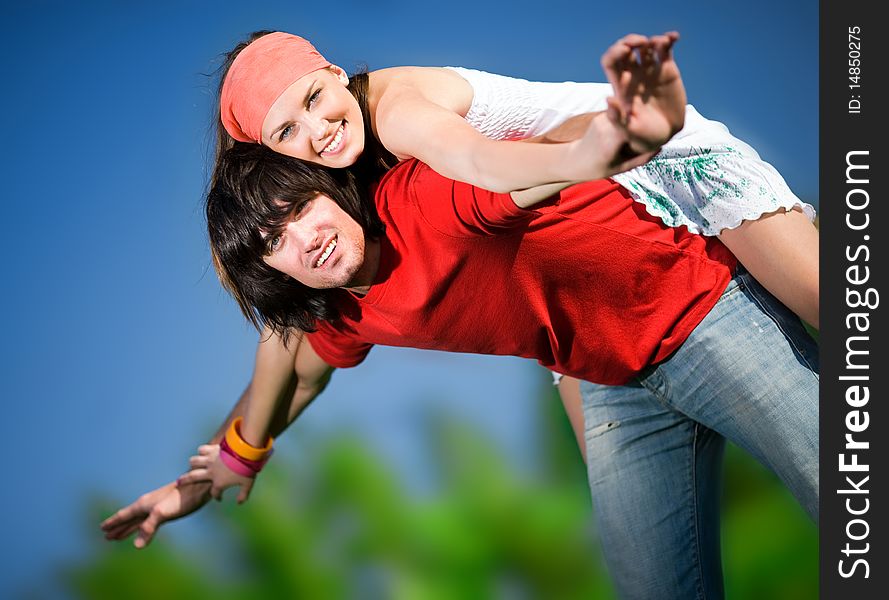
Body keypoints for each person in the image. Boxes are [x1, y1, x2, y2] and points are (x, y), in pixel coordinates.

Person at [104, 133, 818, 599]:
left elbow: (529, 171)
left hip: (703, 306)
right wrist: (228, 462)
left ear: (331, 192)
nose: (304, 240)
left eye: (298, 209)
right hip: (612, 381)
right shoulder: (346, 306)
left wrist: (617, 132)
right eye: (274, 242)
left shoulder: (427, 200)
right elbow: (300, 376)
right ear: (272, 274)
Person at [208, 29, 819, 462]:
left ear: (336, 75)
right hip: (580, 227)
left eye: (315, 99)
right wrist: (238, 455)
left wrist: (606, 144)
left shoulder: (393, 112)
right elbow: (285, 334)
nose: (317, 130)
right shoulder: (329, 197)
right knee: (618, 477)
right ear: (271, 156)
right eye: (287, 130)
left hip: (648, 151)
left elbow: (482, 163)